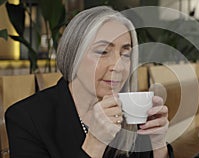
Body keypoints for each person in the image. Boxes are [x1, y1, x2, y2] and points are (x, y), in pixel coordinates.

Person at [5, 6, 173, 158]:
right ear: (74, 56)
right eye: (103, 52)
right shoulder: (26, 118)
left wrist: (158, 144)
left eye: (126, 54)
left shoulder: (131, 113)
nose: (118, 66)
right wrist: (96, 142)